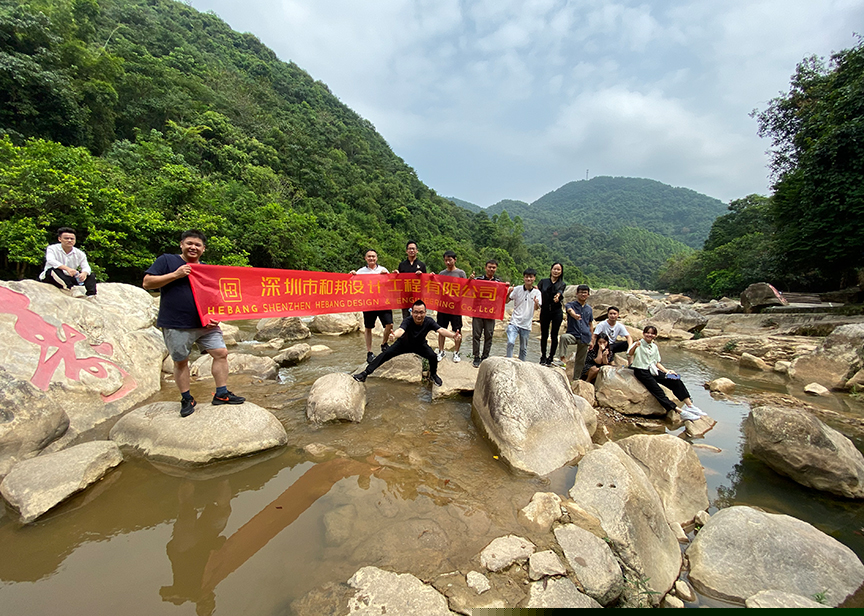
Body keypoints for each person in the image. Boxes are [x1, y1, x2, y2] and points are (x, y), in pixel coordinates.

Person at [143, 230, 245, 418]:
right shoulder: (167, 261)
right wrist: (176, 274)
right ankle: (186, 398)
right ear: (181, 244)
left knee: (221, 353)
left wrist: (217, 315)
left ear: (203, 249)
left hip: (206, 324)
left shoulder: (207, 269)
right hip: (177, 323)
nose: (193, 247)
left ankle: (221, 393)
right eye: (189, 243)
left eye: (198, 245)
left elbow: (216, 296)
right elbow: (147, 283)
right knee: (181, 361)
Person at [353, 300, 461, 386]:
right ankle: (365, 374)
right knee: (384, 355)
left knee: (433, 356)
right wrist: (394, 335)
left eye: (421, 312)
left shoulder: (429, 321)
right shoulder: (408, 320)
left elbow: (441, 330)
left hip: (420, 345)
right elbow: (401, 330)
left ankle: (433, 374)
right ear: (412, 312)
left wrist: (453, 335)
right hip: (403, 344)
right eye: (416, 312)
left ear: (425, 313)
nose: (419, 315)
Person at [628, 325, 707, 421]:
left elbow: (656, 362)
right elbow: (629, 354)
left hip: (653, 370)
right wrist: (635, 346)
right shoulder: (638, 343)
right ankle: (679, 411)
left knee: (675, 380)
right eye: (647, 333)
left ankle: (690, 406)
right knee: (658, 391)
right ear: (644, 333)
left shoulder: (654, 347)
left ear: (655, 335)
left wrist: (667, 371)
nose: (650, 335)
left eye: (652, 333)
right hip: (641, 371)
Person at [351, 249, 393, 363]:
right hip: (368, 303)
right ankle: (369, 352)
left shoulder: (383, 270)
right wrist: (352, 276)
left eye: (373, 256)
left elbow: (391, 284)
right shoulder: (360, 272)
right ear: (365, 258)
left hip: (383, 302)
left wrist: (389, 276)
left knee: (389, 324)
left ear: (377, 258)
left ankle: (384, 344)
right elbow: (353, 285)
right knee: (368, 327)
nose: (371, 258)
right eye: (369, 256)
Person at [39, 227, 97, 297]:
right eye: (66, 238)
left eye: (72, 239)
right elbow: (51, 260)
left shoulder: (80, 253)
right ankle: (72, 289)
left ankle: (91, 294)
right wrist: (67, 269)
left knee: (90, 275)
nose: (69, 240)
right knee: (54, 270)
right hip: (53, 277)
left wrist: (84, 273)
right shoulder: (52, 248)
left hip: (69, 277)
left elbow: (86, 267)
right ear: (59, 239)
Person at [436, 250, 467, 363]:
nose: (448, 262)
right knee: (441, 329)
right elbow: (437, 288)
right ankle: (441, 351)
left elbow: (465, 288)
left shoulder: (461, 273)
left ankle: (456, 352)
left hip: (456, 307)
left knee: (457, 330)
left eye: (450, 260)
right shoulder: (442, 273)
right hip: (443, 306)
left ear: (455, 260)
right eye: (446, 260)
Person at [470, 259, 502, 368]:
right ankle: (476, 357)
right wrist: (470, 280)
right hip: (478, 311)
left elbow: (501, 296)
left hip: (490, 313)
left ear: (496, 269)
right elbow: (469, 289)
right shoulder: (478, 279)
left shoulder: (498, 282)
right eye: (489, 267)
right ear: (485, 268)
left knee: (489, 335)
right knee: (476, 335)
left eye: (493, 267)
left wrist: (508, 288)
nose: (491, 269)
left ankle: (485, 356)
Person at [505, 268, 542, 361]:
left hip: (526, 324)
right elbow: (506, 301)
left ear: (534, 278)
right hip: (514, 321)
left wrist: (536, 303)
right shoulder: (517, 289)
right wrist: (508, 293)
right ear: (524, 278)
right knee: (510, 342)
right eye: (526, 277)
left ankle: (522, 364)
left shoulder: (537, 293)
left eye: (531, 277)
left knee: (523, 348)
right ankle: (508, 361)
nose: (528, 279)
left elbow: (537, 308)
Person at [558, 284, 592, 381]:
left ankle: (576, 379)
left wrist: (592, 338)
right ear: (577, 294)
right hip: (573, 334)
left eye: (585, 292)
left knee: (580, 360)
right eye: (581, 292)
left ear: (588, 295)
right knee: (564, 337)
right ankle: (562, 359)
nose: (583, 294)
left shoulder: (589, 309)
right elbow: (569, 310)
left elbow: (590, 324)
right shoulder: (571, 304)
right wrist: (574, 315)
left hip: (585, 336)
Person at [537, 263, 565, 366]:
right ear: (551, 270)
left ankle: (551, 357)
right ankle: (543, 356)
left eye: (558, 270)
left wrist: (558, 296)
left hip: (556, 312)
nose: (556, 271)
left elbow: (560, 291)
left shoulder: (562, 283)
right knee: (544, 334)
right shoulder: (543, 282)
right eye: (554, 269)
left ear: (561, 272)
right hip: (544, 311)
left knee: (554, 335)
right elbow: (537, 292)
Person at [397, 240, 426, 321]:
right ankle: (406, 332)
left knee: (418, 315)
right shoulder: (402, 265)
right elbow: (398, 280)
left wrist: (422, 275)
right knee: (405, 317)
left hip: (417, 294)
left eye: (413, 249)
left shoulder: (422, 265)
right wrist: (395, 275)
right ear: (406, 251)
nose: (411, 251)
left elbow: (425, 281)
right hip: (405, 294)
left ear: (417, 251)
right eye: (409, 249)